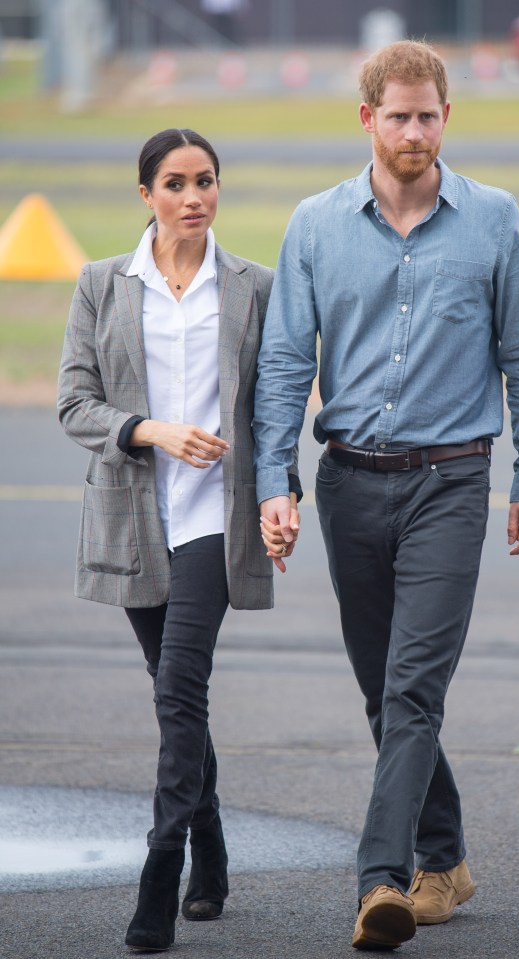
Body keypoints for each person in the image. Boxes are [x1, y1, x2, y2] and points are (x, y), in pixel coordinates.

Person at [253, 40, 519, 951]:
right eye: (399, 116)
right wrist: (279, 481)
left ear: (446, 118)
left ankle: (384, 880)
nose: (415, 131)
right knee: (384, 694)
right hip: (350, 482)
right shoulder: (313, 225)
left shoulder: (494, 220)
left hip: (453, 483)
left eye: (429, 115)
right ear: (367, 120)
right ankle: (448, 852)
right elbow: (282, 365)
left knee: (414, 688)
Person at [58, 128, 300, 952]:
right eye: (175, 183)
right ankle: (213, 850)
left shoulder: (254, 286)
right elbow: (73, 404)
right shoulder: (101, 284)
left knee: (177, 690)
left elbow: (275, 407)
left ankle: (160, 871)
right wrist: (150, 429)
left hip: (214, 519)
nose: (193, 196)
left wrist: (281, 490)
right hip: (133, 517)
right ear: (146, 196)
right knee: (178, 693)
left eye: (206, 181)